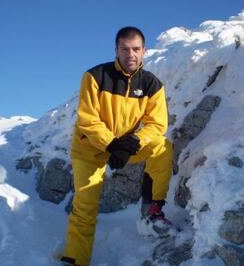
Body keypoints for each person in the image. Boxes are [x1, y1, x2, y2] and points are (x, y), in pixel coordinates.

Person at [61, 26, 174, 266]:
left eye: (135, 49)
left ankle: (152, 210)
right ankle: (74, 259)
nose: (130, 54)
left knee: (162, 146)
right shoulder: (95, 76)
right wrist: (113, 145)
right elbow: (88, 120)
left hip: (124, 147)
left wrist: (132, 143)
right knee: (85, 207)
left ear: (144, 51)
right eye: (124, 49)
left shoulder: (152, 84)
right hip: (90, 150)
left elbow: (157, 125)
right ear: (116, 50)